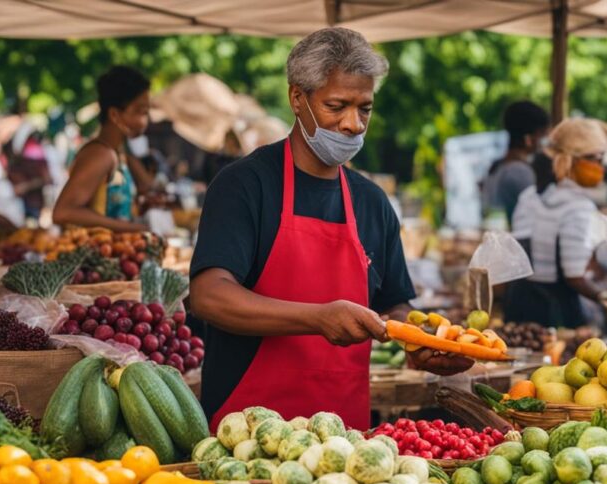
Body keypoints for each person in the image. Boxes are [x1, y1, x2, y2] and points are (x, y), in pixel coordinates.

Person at [188, 28, 470, 429]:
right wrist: (318, 318)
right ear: (297, 98)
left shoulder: (371, 202)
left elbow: (394, 305)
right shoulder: (245, 185)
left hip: (345, 442)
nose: (353, 124)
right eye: (336, 106)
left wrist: (421, 340)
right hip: (245, 430)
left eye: (365, 108)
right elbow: (209, 296)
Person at [505, 118, 607, 327]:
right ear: (572, 160)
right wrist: (606, 297)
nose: (600, 167)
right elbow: (574, 276)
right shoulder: (578, 207)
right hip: (555, 312)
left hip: (518, 305)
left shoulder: (529, 197)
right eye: (595, 159)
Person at [52, 66, 153, 232]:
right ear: (114, 115)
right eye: (140, 112)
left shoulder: (117, 152)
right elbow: (63, 213)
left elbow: (147, 185)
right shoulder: (101, 155)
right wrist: (130, 228)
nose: (145, 121)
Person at [483, 101, 550, 221]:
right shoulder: (519, 172)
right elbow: (538, 215)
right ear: (528, 139)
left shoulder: (497, 166)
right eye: (542, 135)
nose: (544, 142)